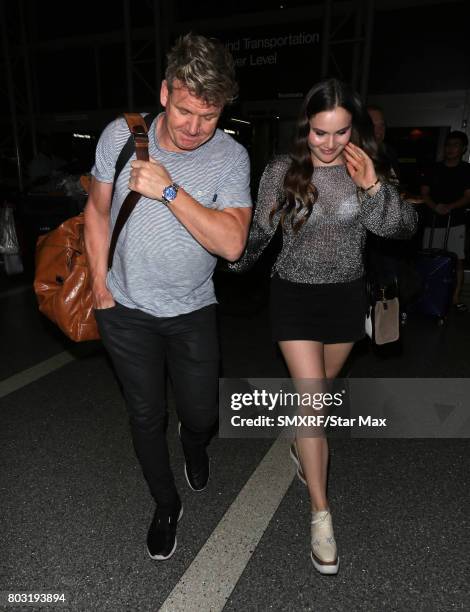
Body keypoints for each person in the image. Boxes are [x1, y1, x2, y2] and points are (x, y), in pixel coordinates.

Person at [230, 78, 417, 575]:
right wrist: (225, 261)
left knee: (321, 394)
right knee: (313, 405)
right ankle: (321, 515)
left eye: (339, 131)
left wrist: (373, 186)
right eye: (319, 132)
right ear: (304, 128)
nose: (330, 144)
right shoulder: (281, 172)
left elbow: (400, 229)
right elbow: (259, 235)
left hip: (343, 298)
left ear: (352, 127)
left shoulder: (365, 168)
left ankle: (297, 443)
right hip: (292, 296)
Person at [84, 34, 252, 561]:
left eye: (209, 115)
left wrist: (170, 189)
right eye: (184, 111)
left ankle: (194, 442)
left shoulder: (230, 157)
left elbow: (232, 243)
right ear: (164, 92)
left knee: (202, 414)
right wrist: (98, 286)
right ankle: (165, 504)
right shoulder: (119, 136)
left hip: (193, 309)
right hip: (125, 308)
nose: (194, 128)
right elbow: (95, 211)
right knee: (144, 415)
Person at [420, 130, 470, 311]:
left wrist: (449, 207)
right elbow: (424, 193)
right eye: (448, 145)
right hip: (432, 221)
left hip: (456, 222)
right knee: (429, 258)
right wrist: (435, 207)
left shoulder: (466, 170)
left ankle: (455, 297)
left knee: (457, 260)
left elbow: (468, 196)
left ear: (463, 149)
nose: (450, 149)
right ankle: (427, 292)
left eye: (455, 145)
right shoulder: (434, 168)